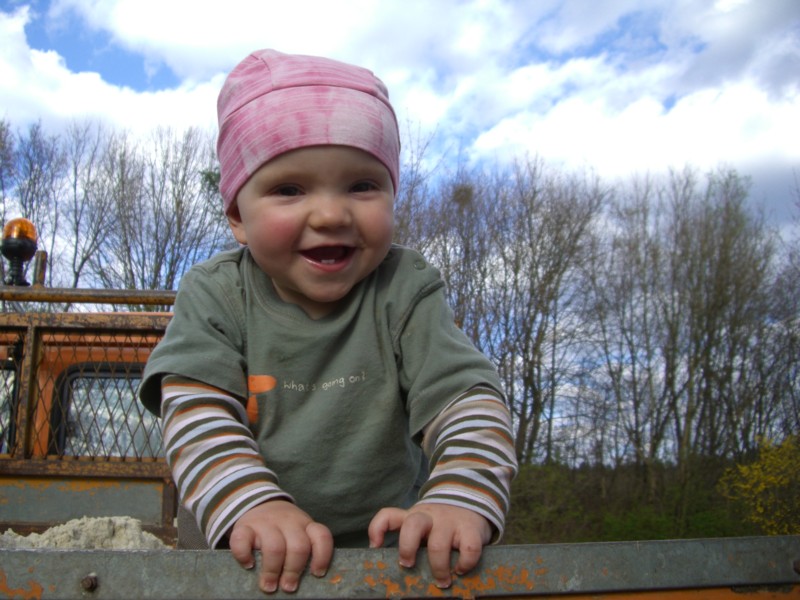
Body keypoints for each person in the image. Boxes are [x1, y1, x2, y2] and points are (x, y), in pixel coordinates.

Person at [139, 49, 518, 595]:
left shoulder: (404, 288)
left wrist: (457, 495)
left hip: (385, 566)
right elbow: (195, 409)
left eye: (363, 185)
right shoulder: (217, 293)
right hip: (240, 567)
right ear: (238, 218)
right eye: (290, 189)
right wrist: (256, 503)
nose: (331, 214)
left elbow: (466, 398)